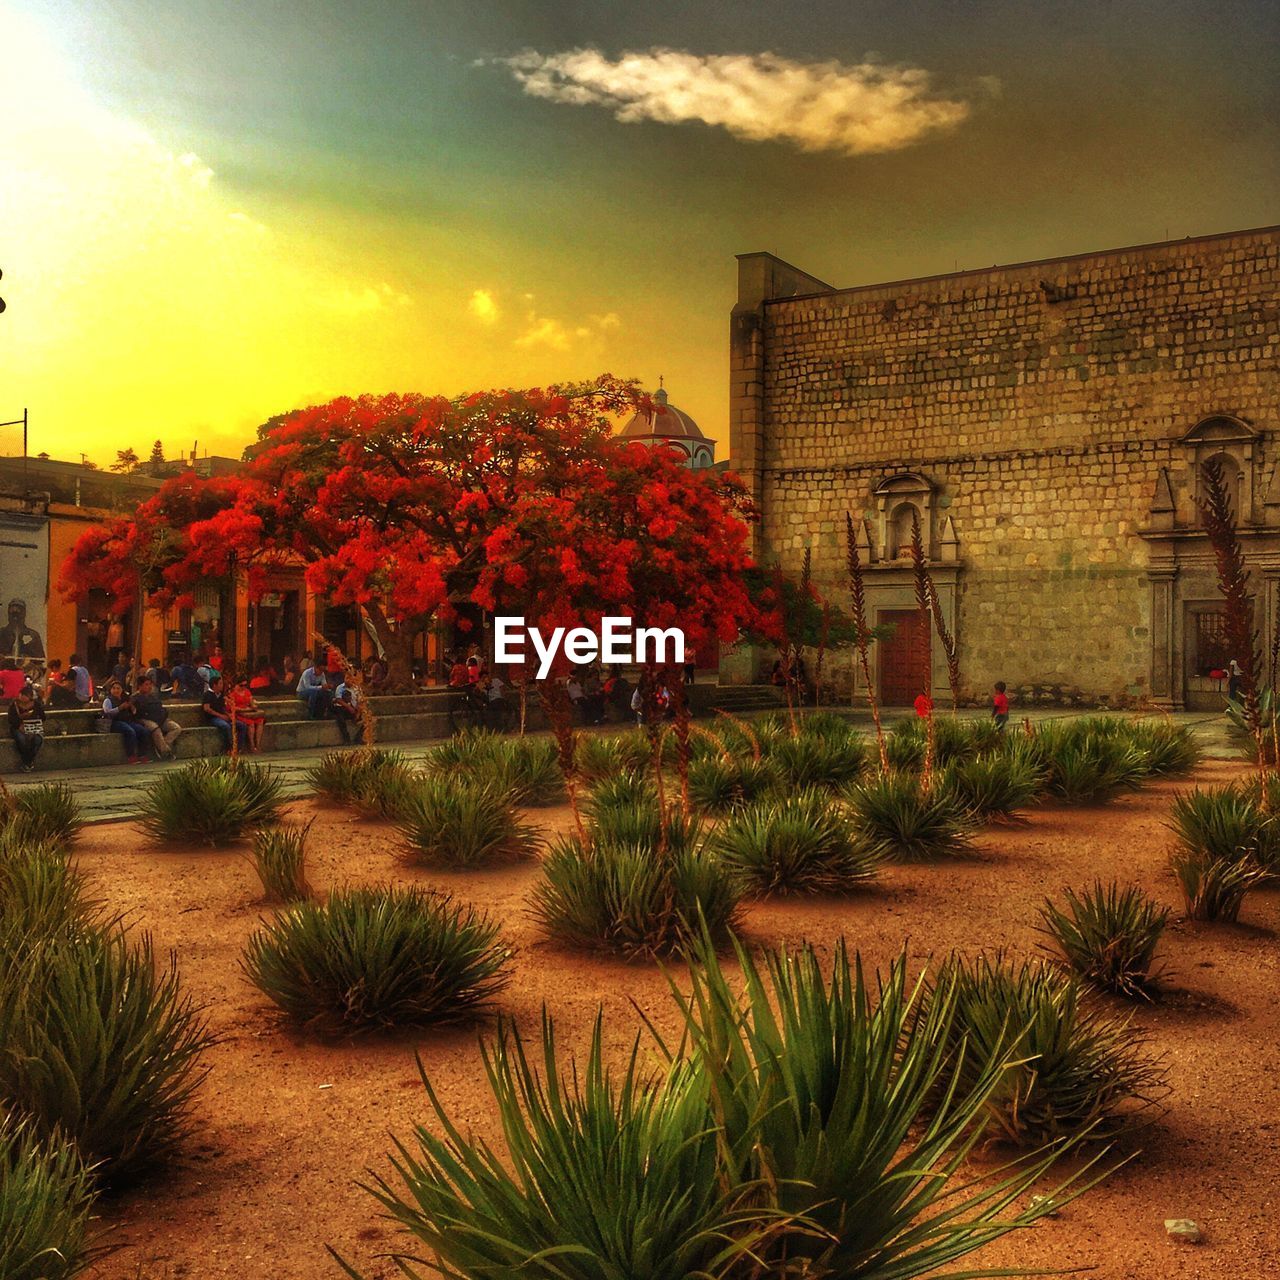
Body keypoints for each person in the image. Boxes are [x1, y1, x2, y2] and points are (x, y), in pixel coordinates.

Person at [132, 674, 183, 760]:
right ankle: (165, 752)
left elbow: (161, 708)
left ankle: (161, 745)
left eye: (149, 684)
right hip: (146, 720)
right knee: (156, 729)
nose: (149, 687)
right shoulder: (135, 698)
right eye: (146, 684)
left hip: (161, 719)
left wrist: (163, 717)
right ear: (140, 686)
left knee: (176, 728)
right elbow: (138, 713)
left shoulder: (153, 696)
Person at [99, 680, 146, 764]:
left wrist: (131, 707)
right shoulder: (108, 700)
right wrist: (119, 708)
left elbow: (134, 712)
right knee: (130, 731)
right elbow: (107, 712)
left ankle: (142, 755)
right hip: (114, 722)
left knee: (142, 730)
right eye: (114, 688)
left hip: (126, 720)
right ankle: (131, 756)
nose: (116, 690)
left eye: (118, 688)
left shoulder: (125, 699)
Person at [202, 674, 249, 753]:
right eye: (220, 683)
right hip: (212, 718)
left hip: (222, 716)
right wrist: (221, 716)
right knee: (226, 726)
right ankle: (229, 748)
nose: (222, 685)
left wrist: (228, 715)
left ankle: (238, 748)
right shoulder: (208, 695)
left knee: (242, 725)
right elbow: (207, 709)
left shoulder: (221, 695)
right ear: (214, 685)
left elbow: (223, 708)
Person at [7, 683, 45, 772]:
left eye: (25, 696)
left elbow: (43, 717)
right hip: (18, 727)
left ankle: (27, 762)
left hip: (33, 727)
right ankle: (28, 762)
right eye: (22, 695)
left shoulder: (36, 705)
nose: (23, 697)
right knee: (21, 740)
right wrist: (19, 725)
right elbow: (11, 719)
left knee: (37, 740)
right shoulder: (14, 704)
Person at [229, 675, 266, 752]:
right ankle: (252, 745)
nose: (243, 687)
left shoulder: (247, 692)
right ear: (236, 684)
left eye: (245, 685)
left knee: (260, 720)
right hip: (239, 714)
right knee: (251, 723)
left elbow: (251, 702)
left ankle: (258, 744)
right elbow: (232, 707)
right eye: (241, 685)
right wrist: (243, 709)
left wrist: (253, 706)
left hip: (248, 712)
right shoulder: (232, 694)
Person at [331, 671, 365, 745]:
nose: (348, 680)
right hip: (344, 709)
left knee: (368, 718)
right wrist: (349, 707)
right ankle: (346, 738)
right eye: (347, 678)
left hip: (355, 709)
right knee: (340, 717)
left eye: (350, 678)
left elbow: (360, 702)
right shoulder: (340, 688)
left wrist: (358, 713)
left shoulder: (357, 689)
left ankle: (359, 738)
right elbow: (339, 700)